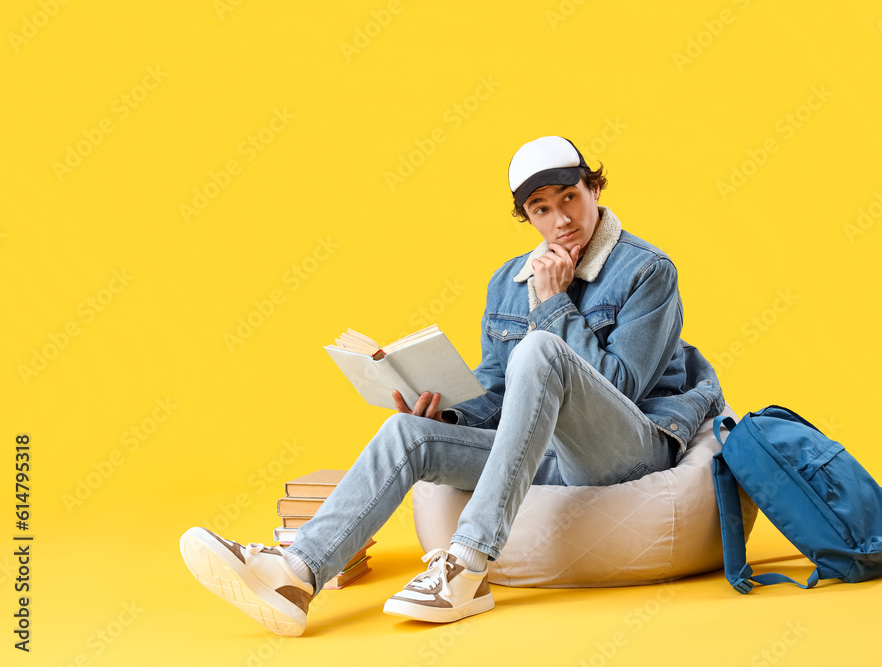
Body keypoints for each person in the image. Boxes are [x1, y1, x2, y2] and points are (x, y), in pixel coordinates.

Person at [179, 135, 724, 637]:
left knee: (538, 348)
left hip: (630, 450)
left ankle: (466, 566)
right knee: (406, 433)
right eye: (541, 209)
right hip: (544, 454)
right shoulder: (509, 283)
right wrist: (447, 417)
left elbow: (621, 389)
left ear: (594, 189)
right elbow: (496, 389)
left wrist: (555, 304)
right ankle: (295, 574)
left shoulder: (647, 271)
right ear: (526, 216)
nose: (560, 220)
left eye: (569, 199)